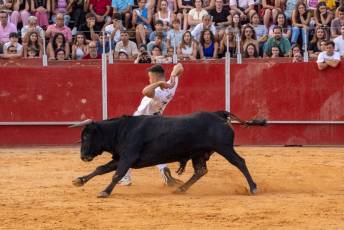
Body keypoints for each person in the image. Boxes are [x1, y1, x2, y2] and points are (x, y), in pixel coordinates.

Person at [118, 63, 184, 186]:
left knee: (126, 148)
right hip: (153, 123)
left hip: (139, 123)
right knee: (152, 151)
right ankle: (164, 170)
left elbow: (145, 91)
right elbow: (180, 66)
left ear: (155, 77)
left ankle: (125, 178)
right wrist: (173, 76)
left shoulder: (158, 92)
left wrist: (159, 84)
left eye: (150, 78)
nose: (149, 80)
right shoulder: (171, 86)